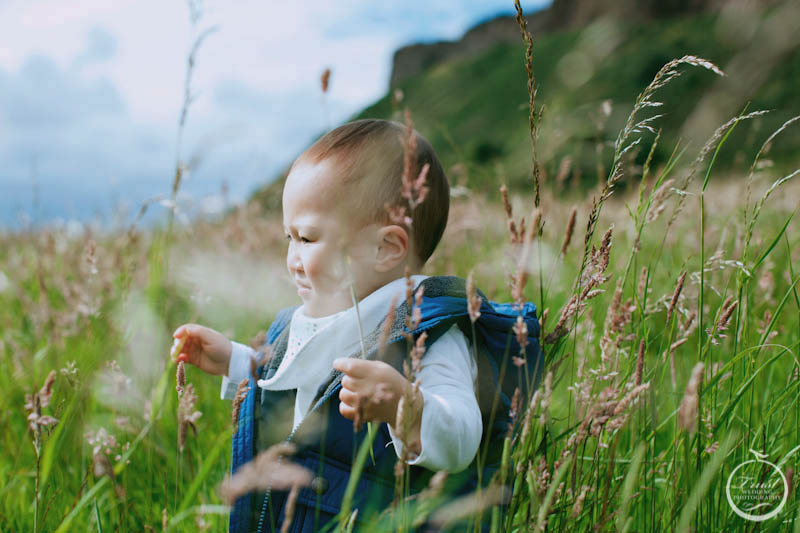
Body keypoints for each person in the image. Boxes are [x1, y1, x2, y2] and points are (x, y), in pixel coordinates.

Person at [172, 119, 541, 532]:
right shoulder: (326, 315)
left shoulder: (430, 334)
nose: (293, 258)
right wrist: (237, 361)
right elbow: (296, 379)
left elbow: (461, 439)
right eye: (288, 238)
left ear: (385, 247)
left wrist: (407, 406)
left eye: (308, 239)